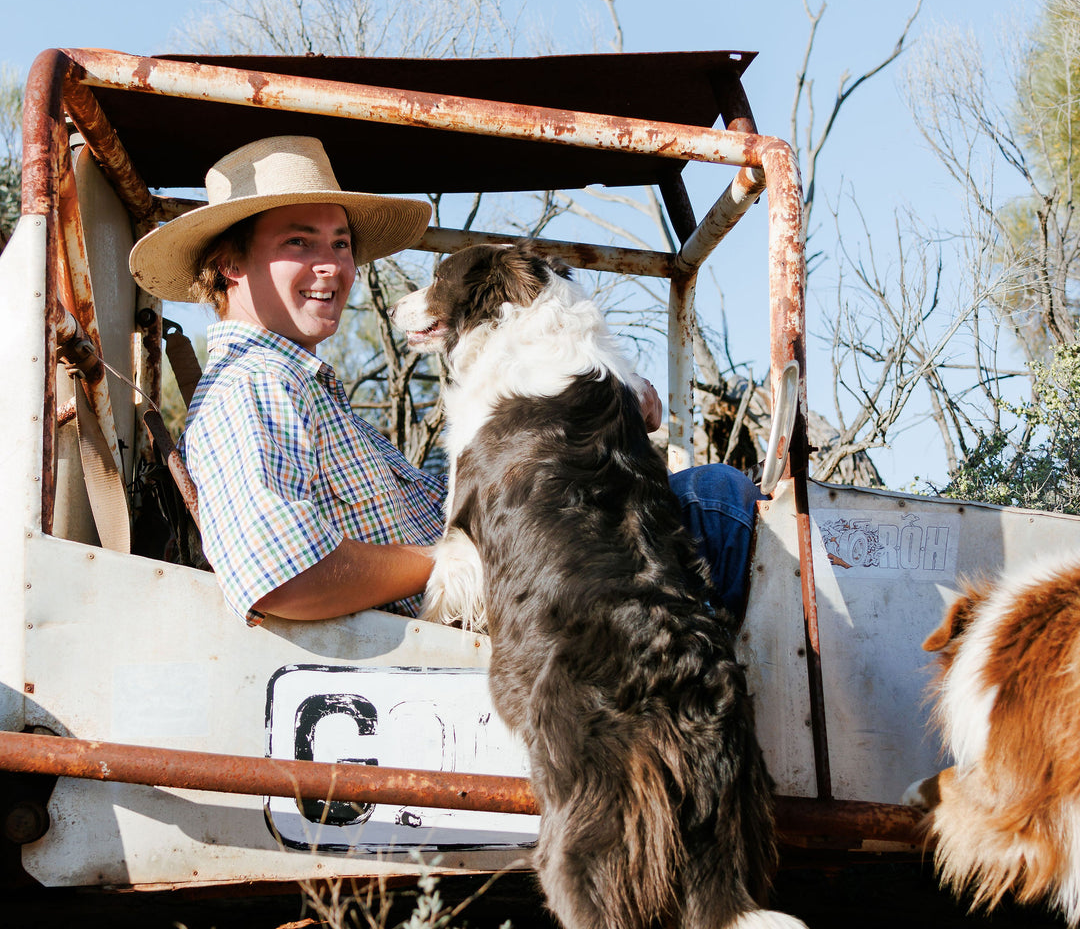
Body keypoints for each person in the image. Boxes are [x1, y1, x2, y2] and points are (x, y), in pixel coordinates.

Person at [128, 136, 759, 628]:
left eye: (342, 243)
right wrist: (462, 559)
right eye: (300, 242)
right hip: (460, 641)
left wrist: (599, 405)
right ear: (229, 264)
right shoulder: (253, 388)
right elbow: (280, 573)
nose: (333, 267)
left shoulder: (301, 388)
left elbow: (448, 497)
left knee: (702, 500)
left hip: (509, 595)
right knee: (717, 506)